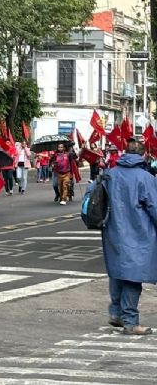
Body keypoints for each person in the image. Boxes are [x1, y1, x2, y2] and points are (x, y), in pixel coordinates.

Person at [99, 139, 157, 335]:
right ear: (143, 156)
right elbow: (154, 208)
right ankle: (130, 321)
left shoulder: (110, 174)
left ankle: (116, 312)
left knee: (117, 271)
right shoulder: (145, 178)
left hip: (112, 231)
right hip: (138, 232)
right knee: (133, 276)